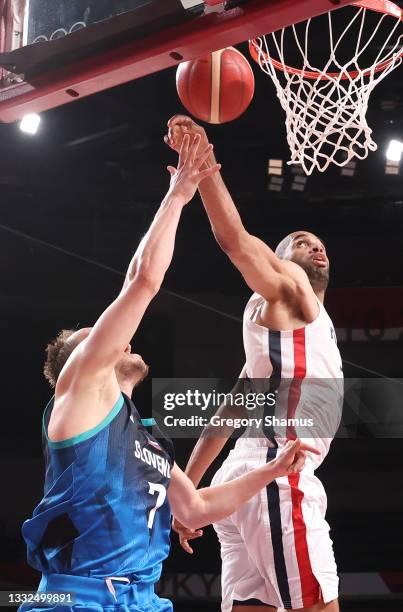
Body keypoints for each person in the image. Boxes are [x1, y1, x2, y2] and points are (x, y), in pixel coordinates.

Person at [20, 134, 318, 612]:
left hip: (142, 599)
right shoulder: (77, 389)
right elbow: (144, 281)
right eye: (93, 336)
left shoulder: (145, 440)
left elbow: (195, 508)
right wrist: (180, 191)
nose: (111, 337)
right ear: (75, 364)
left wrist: (272, 470)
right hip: (77, 596)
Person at [166, 116, 344, 612]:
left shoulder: (282, 338)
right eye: (298, 243)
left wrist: (195, 492)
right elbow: (236, 241)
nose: (312, 246)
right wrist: (205, 169)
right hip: (277, 475)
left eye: (316, 241)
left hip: (238, 480)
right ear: (282, 262)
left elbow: (230, 412)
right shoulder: (291, 289)